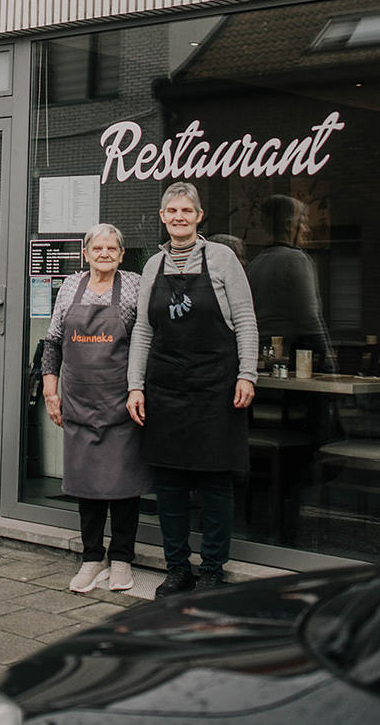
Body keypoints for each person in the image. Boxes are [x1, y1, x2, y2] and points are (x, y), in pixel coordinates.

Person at [127, 183, 257, 595]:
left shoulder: (222, 259)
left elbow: (246, 321)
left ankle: (212, 570)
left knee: (216, 482)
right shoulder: (153, 265)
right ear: (162, 217)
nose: (179, 216)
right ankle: (178, 568)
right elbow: (144, 331)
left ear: (200, 216)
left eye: (187, 210)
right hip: (165, 386)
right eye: (172, 210)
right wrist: (135, 386)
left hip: (216, 385)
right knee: (170, 484)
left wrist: (247, 374)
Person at [42, 223, 153, 594]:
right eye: (97, 248)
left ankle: (122, 559)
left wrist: (140, 389)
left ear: (122, 255)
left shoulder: (134, 286)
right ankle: (92, 558)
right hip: (78, 401)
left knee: (124, 485)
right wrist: (49, 390)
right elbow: (54, 342)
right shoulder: (71, 287)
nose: (104, 254)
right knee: (87, 485)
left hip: (121, 403)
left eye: (112, 249)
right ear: (85, 254)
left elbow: (147, 340)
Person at [246, 195, 334, 371]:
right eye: (302, 223)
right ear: (288, 226)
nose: (307, 229)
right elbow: (309, 318)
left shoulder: (256, 263)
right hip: (292, 360)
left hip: (261, 357)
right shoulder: (295, 260)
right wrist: (327, 359)